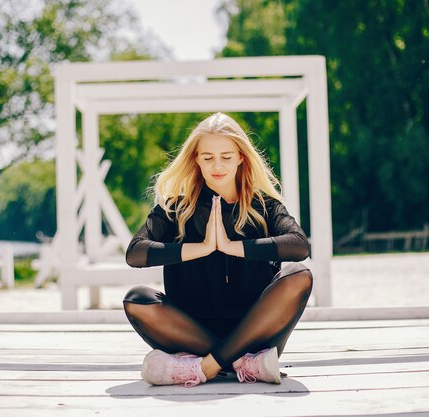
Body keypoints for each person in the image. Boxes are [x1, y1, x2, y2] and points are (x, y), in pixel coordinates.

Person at [123, 112, 313, 387]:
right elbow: (135, 253)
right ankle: (241, 364)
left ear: (240, 158)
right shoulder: (174, 208)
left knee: (299, 275)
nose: (217, 165)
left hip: (255, 334)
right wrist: (199, 249)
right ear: (196, 160)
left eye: (226, 156)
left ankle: (207, 366)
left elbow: (299, 246)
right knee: (136, 299)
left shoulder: (266, 206)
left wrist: (233, 247)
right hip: (191, 332)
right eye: (208, 157)